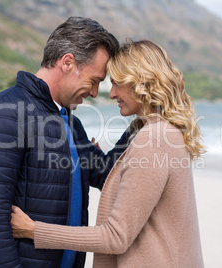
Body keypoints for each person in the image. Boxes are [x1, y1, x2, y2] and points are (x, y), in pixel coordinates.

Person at [11, 40, 206, 267]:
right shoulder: (162, 131)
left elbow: (115, 237)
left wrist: (33, 230)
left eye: (117, 84)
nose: (112, 94)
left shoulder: (153, 139)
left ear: (139, 81)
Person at [0, 17, 131, 268]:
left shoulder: (71, 124)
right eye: (94, 80)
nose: (95, 93)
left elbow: (107, 174)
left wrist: (144, 119)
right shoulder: (1, 113)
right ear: (67, 62)